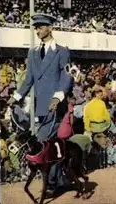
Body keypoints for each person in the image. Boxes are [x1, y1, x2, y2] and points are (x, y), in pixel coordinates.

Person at [9, 13, 73, 197]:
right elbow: (28, 79)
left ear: (50, 28)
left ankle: (52, 183)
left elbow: (67, 76)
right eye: (36, 27)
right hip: (39, 107)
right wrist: (16, 95)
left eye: (41, 27)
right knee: (50, 145)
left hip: (56, 106)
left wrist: (57, 97)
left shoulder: (62, 51)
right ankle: (56, 181)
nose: (37, 30)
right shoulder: (33, 52)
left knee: (45, 141)